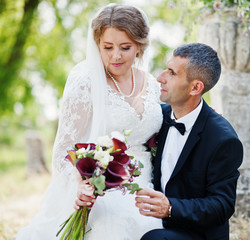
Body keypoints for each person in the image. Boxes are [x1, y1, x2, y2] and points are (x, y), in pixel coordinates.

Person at [16, 4, 163, 239]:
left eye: (125, 47)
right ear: (97, 46)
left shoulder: (152, 84)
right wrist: (82, 183)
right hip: (102, 185)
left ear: (140, 46)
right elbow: (63, 150)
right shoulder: (86, 83)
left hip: (147, 184)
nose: (116, 55)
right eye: (107, 47)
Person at [135, 43, 244, 240]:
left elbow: (222, 205)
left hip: (196, 234)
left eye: (171, 73)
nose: (160, 77)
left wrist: (170, 208)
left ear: (195, 87)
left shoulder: (223, 139)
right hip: (153, 222)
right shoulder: (159, 118)